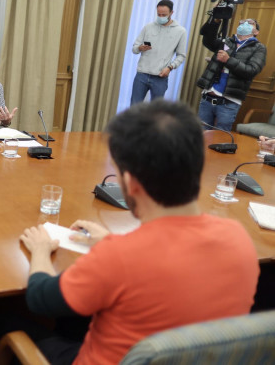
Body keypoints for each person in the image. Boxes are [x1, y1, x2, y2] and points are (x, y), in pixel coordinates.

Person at [19, 100, 259, 364]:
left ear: (130, 184)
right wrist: (110, 242)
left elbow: (40, 299)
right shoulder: (239, 239)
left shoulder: (119, 257)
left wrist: (41, 251)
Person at [197, 18, 266, 131]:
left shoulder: (259, 48)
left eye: (250, 23)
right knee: (201, 136)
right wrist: (216, 21)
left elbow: (251, 71)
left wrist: (228, 60)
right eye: (242, 22)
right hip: (207, 98)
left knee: (220, 139)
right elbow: (208, 41)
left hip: (228, 103)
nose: (245, 24)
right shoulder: (227, 41)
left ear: (256, 32)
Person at [130, 0, 187, 105]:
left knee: (155, 112)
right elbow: (134, 49)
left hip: (160, 77)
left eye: (164, 14)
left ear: (171, 13)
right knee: (134, 108)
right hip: (141, 75)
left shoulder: (180, 31)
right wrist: (140, 48)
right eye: (158, 14)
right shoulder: (148, 27)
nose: (161, 17)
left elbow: (181, 55)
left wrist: (170, 68)